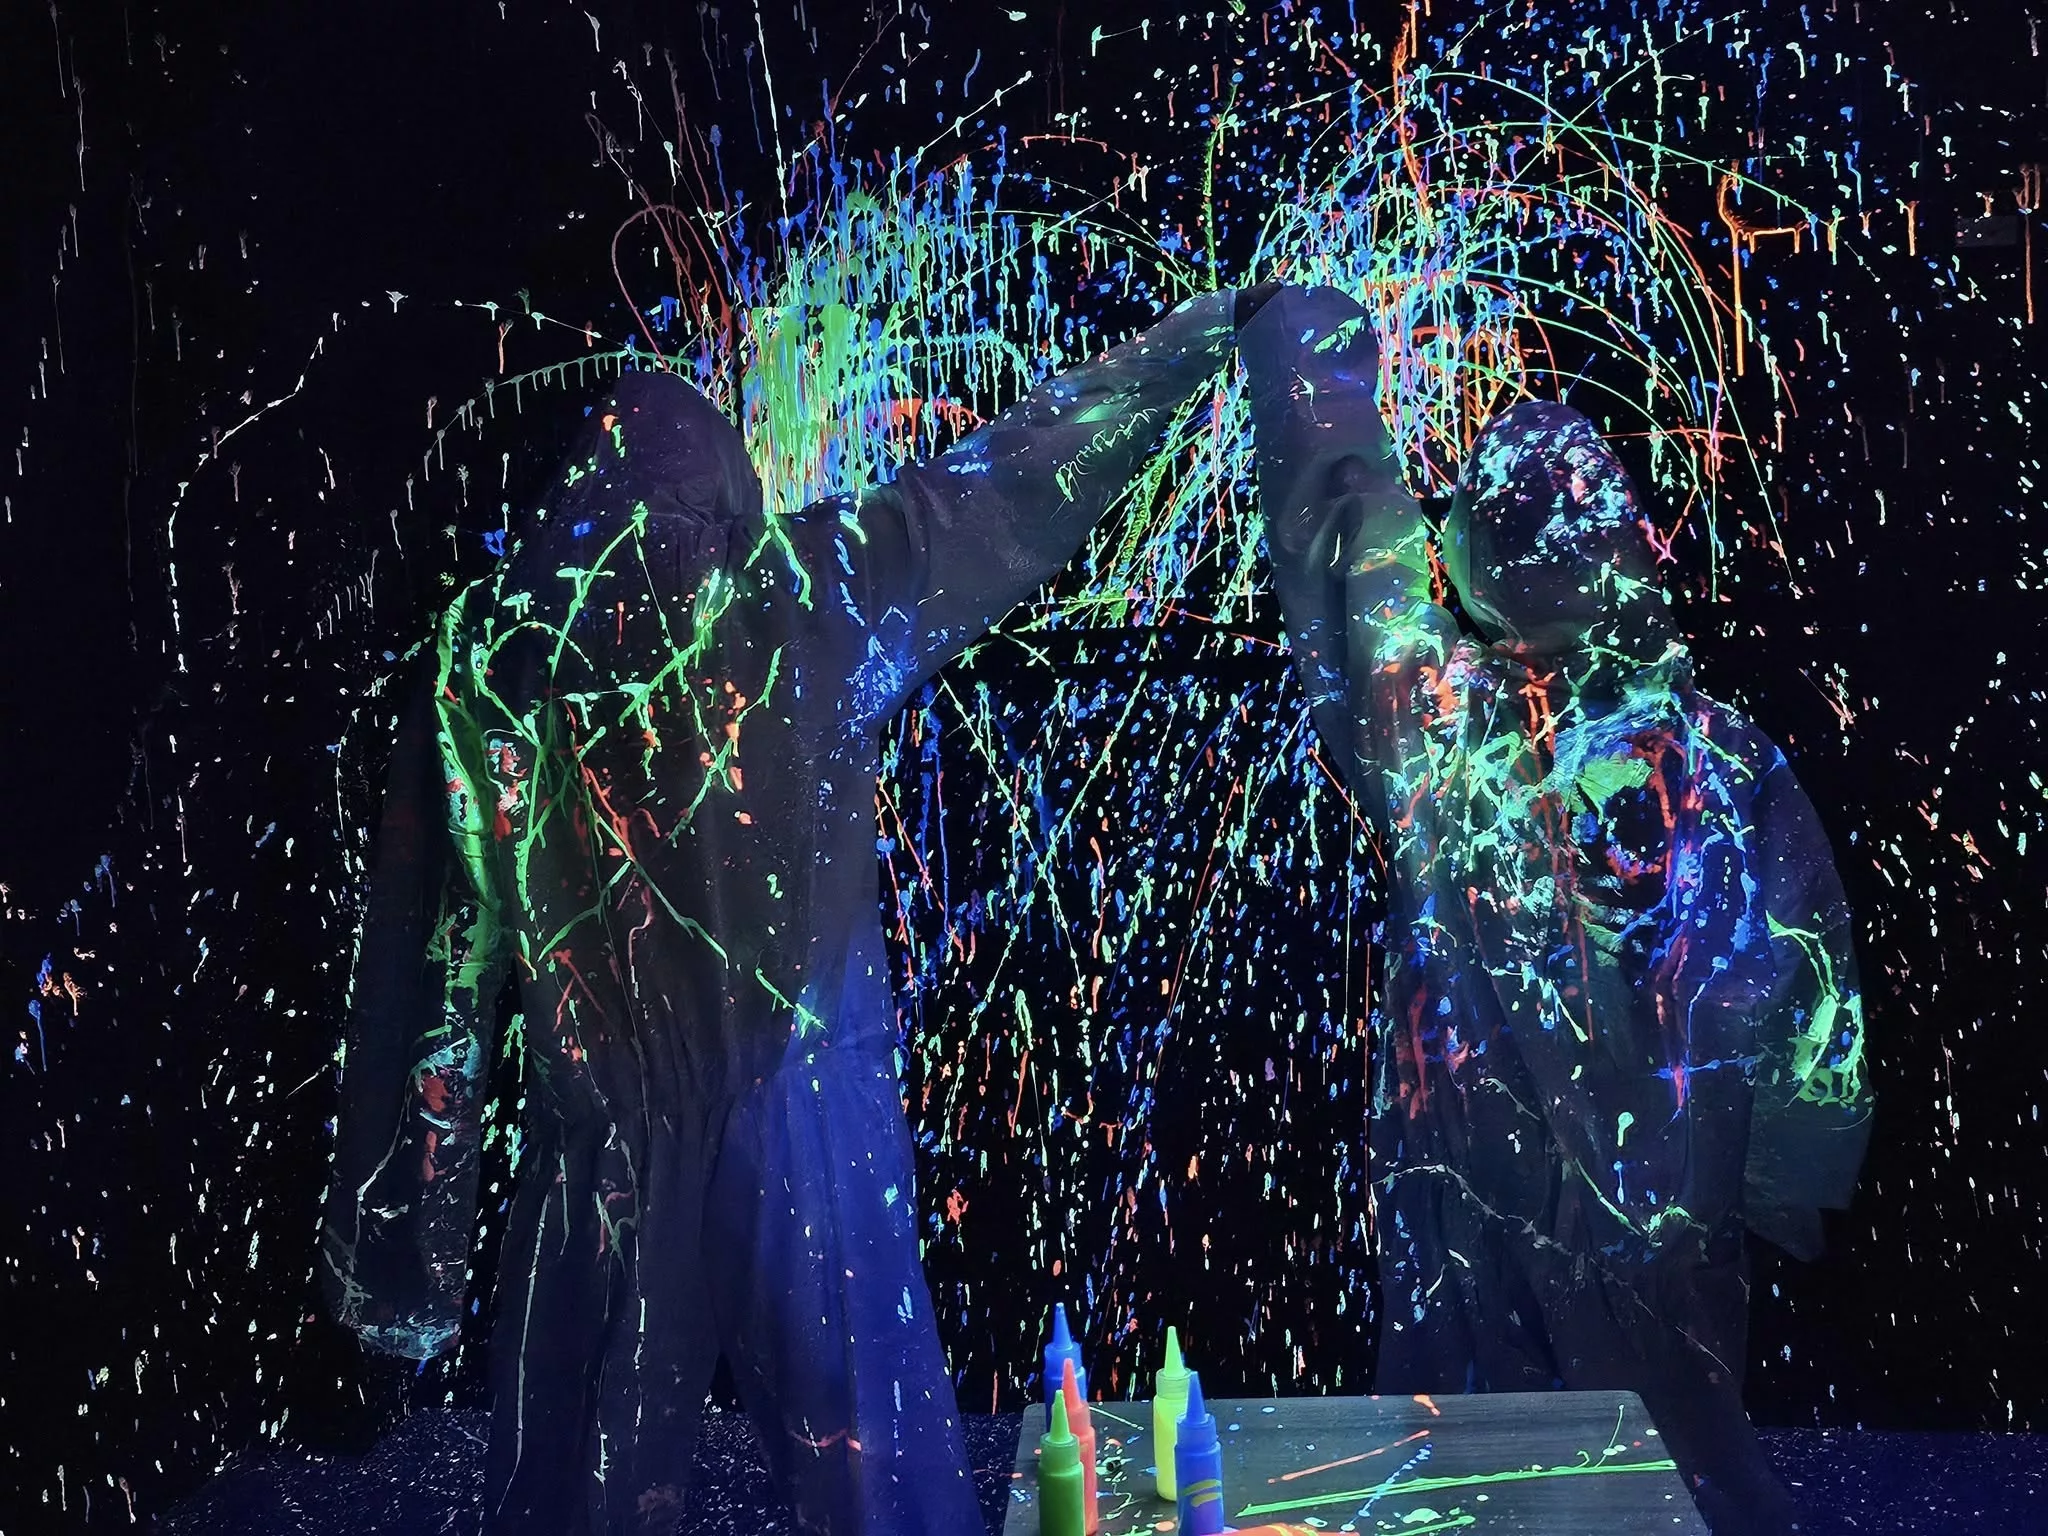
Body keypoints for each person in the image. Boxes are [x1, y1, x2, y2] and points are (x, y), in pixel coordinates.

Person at [320, 287, 1254, 1535]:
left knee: (578, 1491)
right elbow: (1016, 475)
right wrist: (1200, 337)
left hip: (598, 1144)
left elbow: (433, 964)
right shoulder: (804, 590)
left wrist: (401, 1263)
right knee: (875, 1479)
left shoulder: (484, 655)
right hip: (803, 1125)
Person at [1238, 284, 1873, 1535]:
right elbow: (1803, 997)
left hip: (1466, 1207)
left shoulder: (1430, 727)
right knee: (1669, 1473)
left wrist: (1298, 344)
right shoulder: (1718, 757)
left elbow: (1349, 542)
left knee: (1465, 1475)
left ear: (1474, 546)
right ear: (1626, 539)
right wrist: (1771, 1178)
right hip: (1660, 1218)